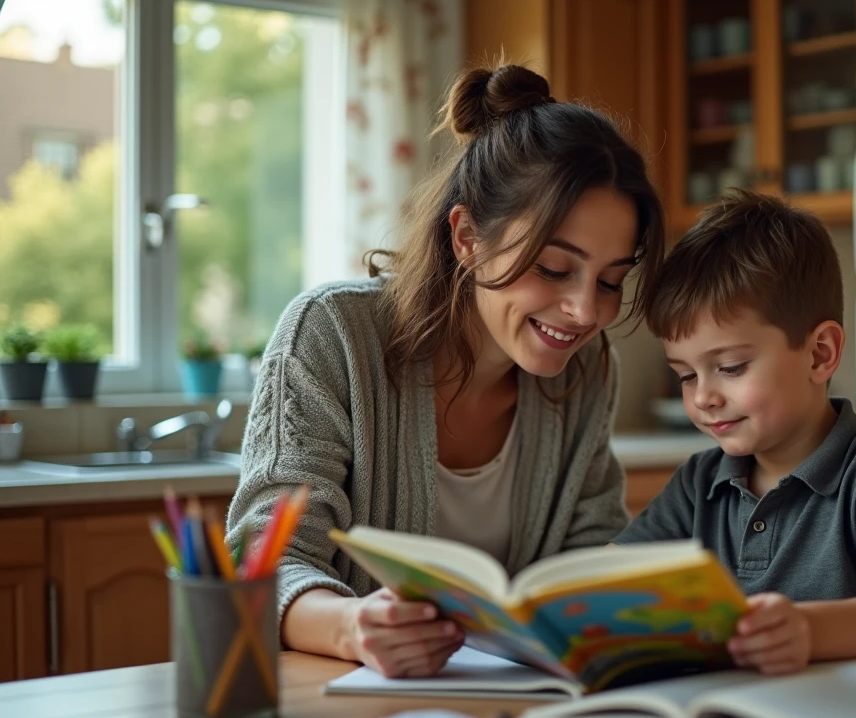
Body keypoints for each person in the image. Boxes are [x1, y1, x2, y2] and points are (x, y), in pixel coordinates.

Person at [227, 63, 666, 679]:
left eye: (613, 280)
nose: (586, 310)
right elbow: (263, 559)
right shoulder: (331, 336)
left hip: (513, 714)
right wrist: (353, 627)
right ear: (467, 237)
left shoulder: (585, 369)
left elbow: (590, 545)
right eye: (553, 269)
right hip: (339, 706)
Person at [612, 190, 856, 675]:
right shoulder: (701, 483)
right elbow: (609, 577)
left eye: (731, 367)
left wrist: (807, 630)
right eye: (686, 375)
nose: (702, 398)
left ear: (819, 354)